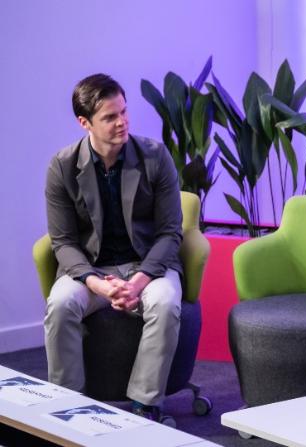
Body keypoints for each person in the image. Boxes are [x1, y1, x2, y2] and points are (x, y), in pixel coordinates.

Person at [44, 74, 183, 421]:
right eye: (109, 116)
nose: (122, 122)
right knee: (60, 305)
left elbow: (170, 232)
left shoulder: (155, 156)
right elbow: (62, 241)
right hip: (89, 271)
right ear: (84, 122)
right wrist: (96, 283)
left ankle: (145, 405)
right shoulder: (62, 166)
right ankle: (66, 405)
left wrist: (138, 281)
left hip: (147, 265)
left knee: (165, 302)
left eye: (123, 112)